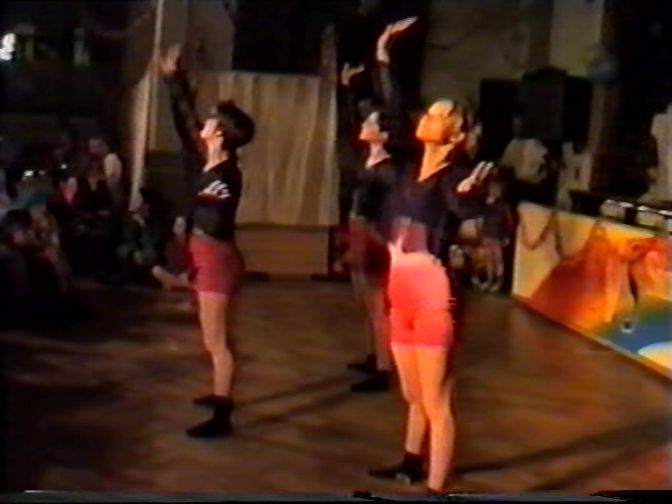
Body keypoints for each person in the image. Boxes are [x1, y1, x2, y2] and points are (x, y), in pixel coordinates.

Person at [365, 19, 487, 496]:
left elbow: (466, 209)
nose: (427, 117)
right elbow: (394, 110)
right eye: (429, 112)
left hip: (434, 293)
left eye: (439, 115)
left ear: (453, 135)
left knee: (437, 400)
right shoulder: (405, 169)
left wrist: (473, 196)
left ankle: (438, 488)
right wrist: (383, 56)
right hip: (401, 292)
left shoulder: (453, 177)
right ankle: (410, 462)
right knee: (412, 393)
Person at [158, 44, 255, 438]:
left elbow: (211, 222)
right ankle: (219, 393)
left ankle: (222, 415)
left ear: (220, 133)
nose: (206, 121)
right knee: (214, 338)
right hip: (208, 255)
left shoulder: (226, 173)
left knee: (217, 341)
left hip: (216, 259)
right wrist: (173, 80)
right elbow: (186, 122)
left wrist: (187, 267)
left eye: (212, 119)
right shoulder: (211, 161)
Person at [340, 17, 417, 393]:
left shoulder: (390, 164)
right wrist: (349, 89)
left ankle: (385, 368)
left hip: (375, 233)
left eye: (370, 122)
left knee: (377, 304)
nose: (363, 122)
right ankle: (376, 354)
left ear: (384, 133)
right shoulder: (367, 154)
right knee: (364, 301)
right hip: (358, 228)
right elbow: (354, 119)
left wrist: (382, 55)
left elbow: (394, 109)